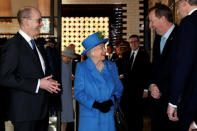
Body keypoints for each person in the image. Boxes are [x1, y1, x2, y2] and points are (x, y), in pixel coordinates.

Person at [0, 7, 60, 131]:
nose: (42, 23)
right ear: (26, 21)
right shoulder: (13, 45)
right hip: (24, 113)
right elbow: (4, 77)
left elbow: (39, 72)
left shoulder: (37, 45)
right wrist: (39, 83)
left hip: (41, 111)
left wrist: (50, 81)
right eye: (39, 20)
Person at [74, 32, 123, 131]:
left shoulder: (111, 66)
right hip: (90, 119)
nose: (105, 50)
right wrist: (96, 104)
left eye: (104, 47)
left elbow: (119, 88)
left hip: (108, 118)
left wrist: (111, 102)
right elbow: (78, 93)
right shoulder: (81, 67)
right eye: (101, 47)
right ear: (92, 51)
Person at [166, 0, 197, 131]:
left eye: (177, 5)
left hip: (192, 102)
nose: (177, 10)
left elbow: (183, 64)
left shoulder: (189, 23)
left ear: (185, 3)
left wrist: (173, 101)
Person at [148, 3, 179, 131]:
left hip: (175, 106)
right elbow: (154, 67)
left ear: (163, 19)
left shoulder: (182, 36)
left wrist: (175, 102)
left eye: (151, 21)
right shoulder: (157, 39)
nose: (150, 25)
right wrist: (152, 85)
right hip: (157, 104)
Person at [121, 34, 151, 131]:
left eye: (135, 41)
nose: (133, 44)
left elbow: (147, 73)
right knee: (127, 113)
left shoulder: (144, 55)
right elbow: (124, 71)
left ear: (139, 43)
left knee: (138, 114)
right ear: (129, 44)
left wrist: (146, 89)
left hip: (139, 90)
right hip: (127, 90)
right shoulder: (125, 55)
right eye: (131, 42)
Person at [61, 47, 77, 131]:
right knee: (63, 117)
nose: (69, 59)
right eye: (67, 57)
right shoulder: (59, 64)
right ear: (62, 56)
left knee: (66, 118)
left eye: (70, 58)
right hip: (62, 94)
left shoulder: (69, 63)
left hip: (67, 93)